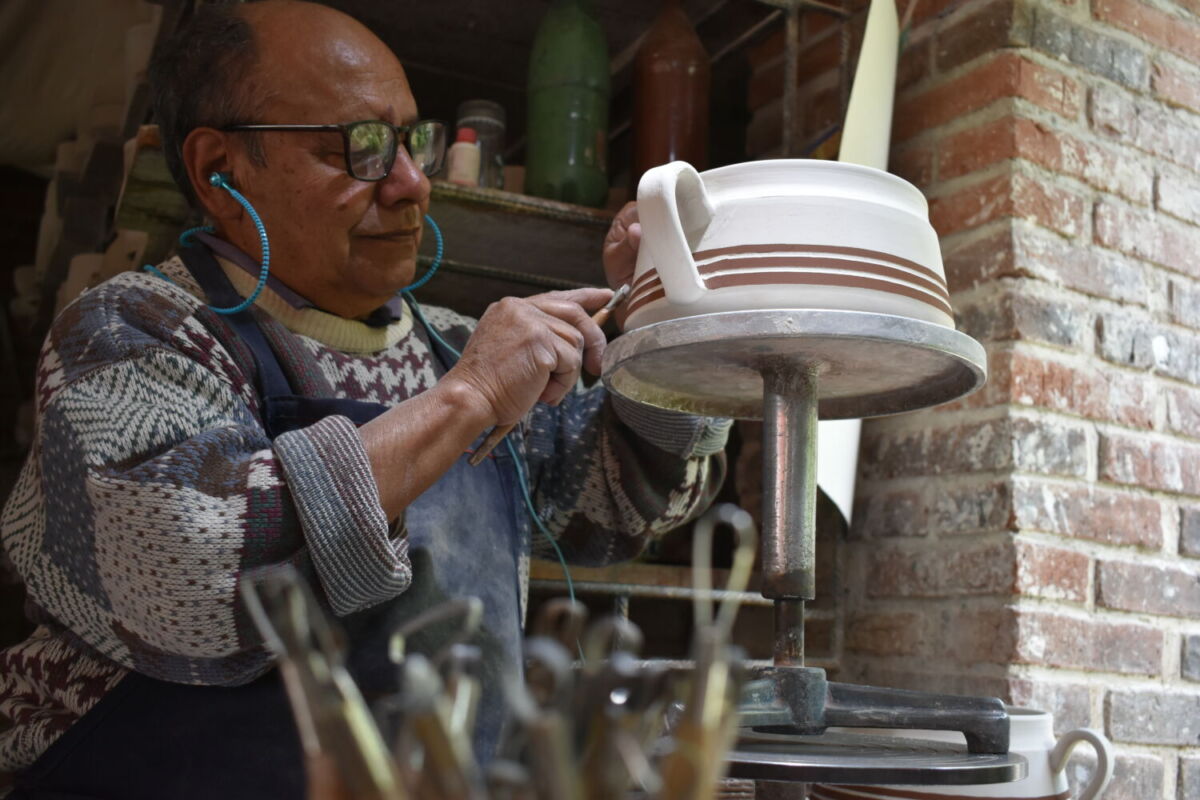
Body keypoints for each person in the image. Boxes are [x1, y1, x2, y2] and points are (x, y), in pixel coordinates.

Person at [0, 2, 730, 798]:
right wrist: (468, 397)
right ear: (220, 170)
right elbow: (187, 574)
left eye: (411, 142)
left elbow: (619, 502)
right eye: (361, 147)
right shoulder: (130, 330)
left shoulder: (451, 345)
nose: (413, 183)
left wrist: (665, 317)